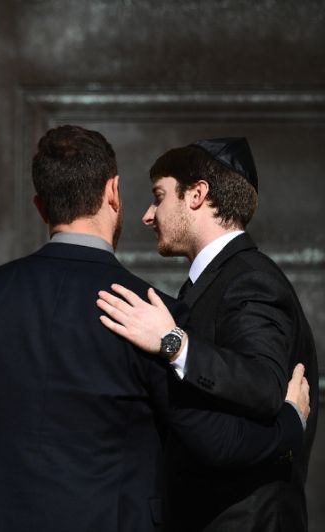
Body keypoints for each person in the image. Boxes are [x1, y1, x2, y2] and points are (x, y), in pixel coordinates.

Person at [0, 125, 310, 532]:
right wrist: (288, 424)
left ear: (40, 207)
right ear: (113, 193)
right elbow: (213, 441)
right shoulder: (146, 313)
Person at [97, 137, 319, 531]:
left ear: (197, 195)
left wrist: (171, 342)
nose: (148, 215)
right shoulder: (215, 282)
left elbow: (264, 383)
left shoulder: (250, 281)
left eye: (159, 196)